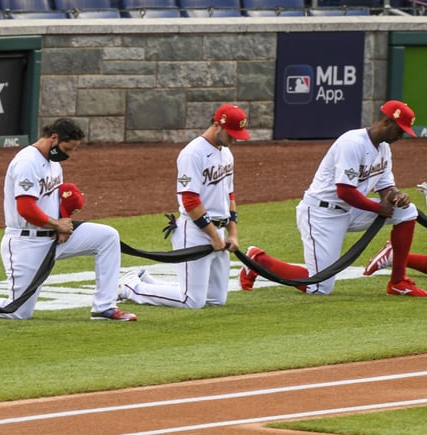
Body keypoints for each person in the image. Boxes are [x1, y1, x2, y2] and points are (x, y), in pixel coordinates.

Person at [241, 100, 426, 297]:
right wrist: (377, 208)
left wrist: (397, 196)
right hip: (322, 213)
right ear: (387, 122)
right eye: (400, 129)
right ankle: (258, 261)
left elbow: (385, 187)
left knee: (407, 210)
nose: (402, 135)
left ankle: (398, 282)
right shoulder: (352, 143)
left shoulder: (384, 149)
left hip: (351, 210)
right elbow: (345, 191)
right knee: (319, 287)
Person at [0, 118, 138, 322]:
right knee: (17, 311)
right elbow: (26, 208)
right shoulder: (27, 162)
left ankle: (104, 307)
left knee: (107, 237)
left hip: (54, 239)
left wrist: (63, 222)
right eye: (66, 148)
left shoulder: (53, 162)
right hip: (27, 243)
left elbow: (59, 195)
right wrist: (56, 224)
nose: (68, 154)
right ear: (54, 138)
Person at [120, 104, 250, 309]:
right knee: (191, 301)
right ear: (217, 125)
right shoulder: (192, 154)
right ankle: (130, 286)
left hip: (219, 230)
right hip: (195, 231)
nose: (236, 139)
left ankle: (148, 280)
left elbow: (229, 194)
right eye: (232, 134)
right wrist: (214, 237)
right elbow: (190, 200)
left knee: (216, 299)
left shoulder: (226, 153)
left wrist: (232, 233)